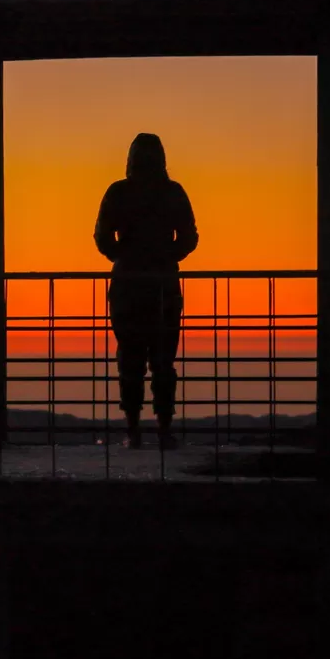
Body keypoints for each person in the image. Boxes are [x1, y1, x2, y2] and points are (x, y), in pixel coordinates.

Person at [93, 133, 198, 449]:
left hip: (127, 284)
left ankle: (133, 430)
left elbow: (101, 237)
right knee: (163, 360)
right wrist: (166, 257)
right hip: (164, 284)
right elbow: (189, 237)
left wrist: (123, 257)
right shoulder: (173, 192)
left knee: (130, 358)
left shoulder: (119, 192)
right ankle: (163, 430)